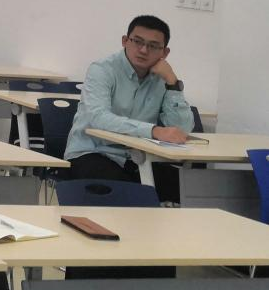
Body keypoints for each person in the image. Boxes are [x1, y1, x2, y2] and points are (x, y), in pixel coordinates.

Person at [65, 14, 193, 203]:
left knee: (190, 190)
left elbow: (181, 130)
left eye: (153, 46)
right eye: (137, 42)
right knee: (128, 194)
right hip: (93, 153)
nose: (143, 50)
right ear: (125, 41)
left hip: (140, 158)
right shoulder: (102, 70)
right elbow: (98, 118)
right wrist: (153, 131)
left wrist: (172, 82)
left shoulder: (162, 78)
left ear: (164, 52)